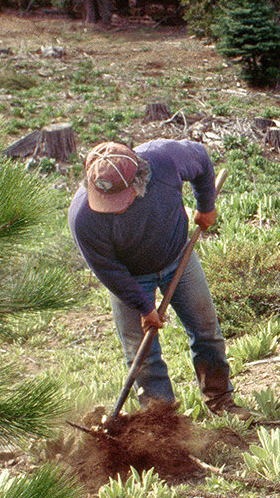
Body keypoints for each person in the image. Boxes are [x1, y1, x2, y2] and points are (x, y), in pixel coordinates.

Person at [69, 139, 247, 416]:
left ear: (140, 181)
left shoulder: (165, 160)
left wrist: (206, 205)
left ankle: (221, 402)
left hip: (178, 258)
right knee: (142, 355)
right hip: (129, 277)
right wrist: (144, 306)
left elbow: (200, 159)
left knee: (206, 332)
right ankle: (162, 424)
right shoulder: (83, 217)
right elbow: (107, 269)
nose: (109, 207)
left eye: (116, 199)